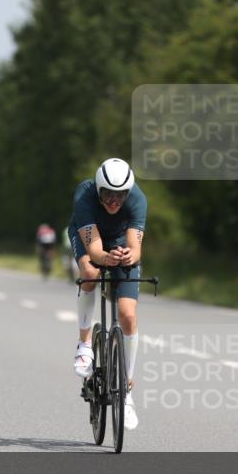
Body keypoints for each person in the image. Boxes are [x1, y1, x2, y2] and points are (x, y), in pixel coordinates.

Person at [69, 158, 147, 430]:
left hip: (119, 245)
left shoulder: (137, 199)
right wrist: (107, 258)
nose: (114, 201)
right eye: (108, 195)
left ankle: (126, 390)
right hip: (91, 241)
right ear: (98, 189)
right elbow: (95, 252)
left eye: (120, 196)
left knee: (127, 316)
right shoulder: (85, 196)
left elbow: (136, 250)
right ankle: (85, 344)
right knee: (90, 275)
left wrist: (126, 255)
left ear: (129, 192)